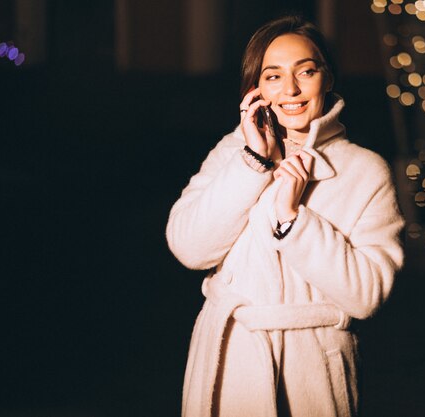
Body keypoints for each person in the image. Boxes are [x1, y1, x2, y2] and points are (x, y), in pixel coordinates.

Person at [166, 15, 405, 417]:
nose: (290, 90)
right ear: (256, 88)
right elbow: (188, 249)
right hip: (229, 368)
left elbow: (366, 296)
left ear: (327, 78)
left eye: (305, 72)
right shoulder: (233, 151)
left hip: (308, 375)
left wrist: (294, 221)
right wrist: (253, 163)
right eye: (273, 76)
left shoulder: (365, 171)